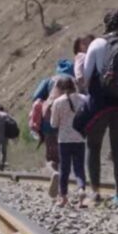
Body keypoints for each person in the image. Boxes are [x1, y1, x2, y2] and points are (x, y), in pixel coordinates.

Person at [75, 10, 118, 209]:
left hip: (100, 103)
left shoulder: (97, 44)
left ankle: (95, 193)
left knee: (93, 146)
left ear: (105, 25)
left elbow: (86, 76)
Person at [30, 59, 74, 196]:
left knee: (51, 158)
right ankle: (64, 186)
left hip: (50, 121)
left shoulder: (49, 80)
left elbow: (35, 97)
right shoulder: (75, 82)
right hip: (70, 123)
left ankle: (54, 173)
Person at [49, 76, 87, 207]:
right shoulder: (83, 99)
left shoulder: (58, 102)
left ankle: (63, 197)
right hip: (80, 138)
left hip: (64, 140)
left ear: (60, 88)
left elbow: (53, 124)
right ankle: (81, 191)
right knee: (79, 168)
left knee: (64, 169)